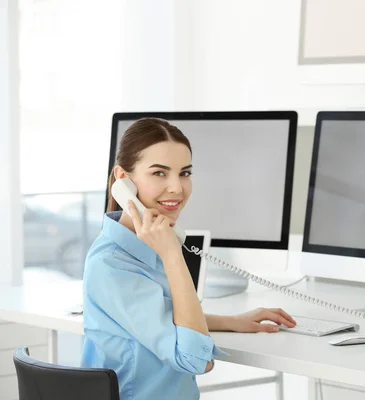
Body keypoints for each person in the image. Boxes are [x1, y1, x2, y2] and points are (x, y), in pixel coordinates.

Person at [81, 117, 296, 400]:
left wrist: (231, 321)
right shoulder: (112, 264)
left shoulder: (143, 245)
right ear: (124, 181)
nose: (177, 188)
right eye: (159, 173)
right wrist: (173, 255)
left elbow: (162, 317)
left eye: (184, 173)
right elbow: (195, 360)